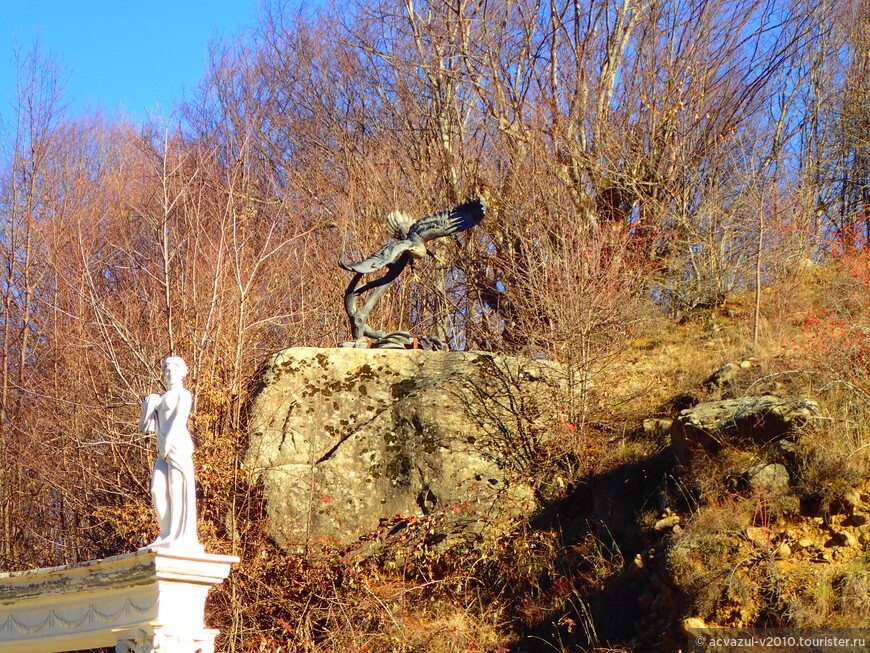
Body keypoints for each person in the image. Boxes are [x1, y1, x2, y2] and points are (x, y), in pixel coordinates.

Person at [138, 356, 201, 551]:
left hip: (177, 445)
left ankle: (177, 535)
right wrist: (148, 405)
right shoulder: (161, 398)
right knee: (157, 490)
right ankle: (165, 534)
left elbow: (178, 421)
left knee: (177, 489)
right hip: (163, 449)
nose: (170, 373)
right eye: (167, 370)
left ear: (182, 372)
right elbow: (143, 427)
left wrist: (166, 444)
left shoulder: (184, 395)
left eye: (174, 370)